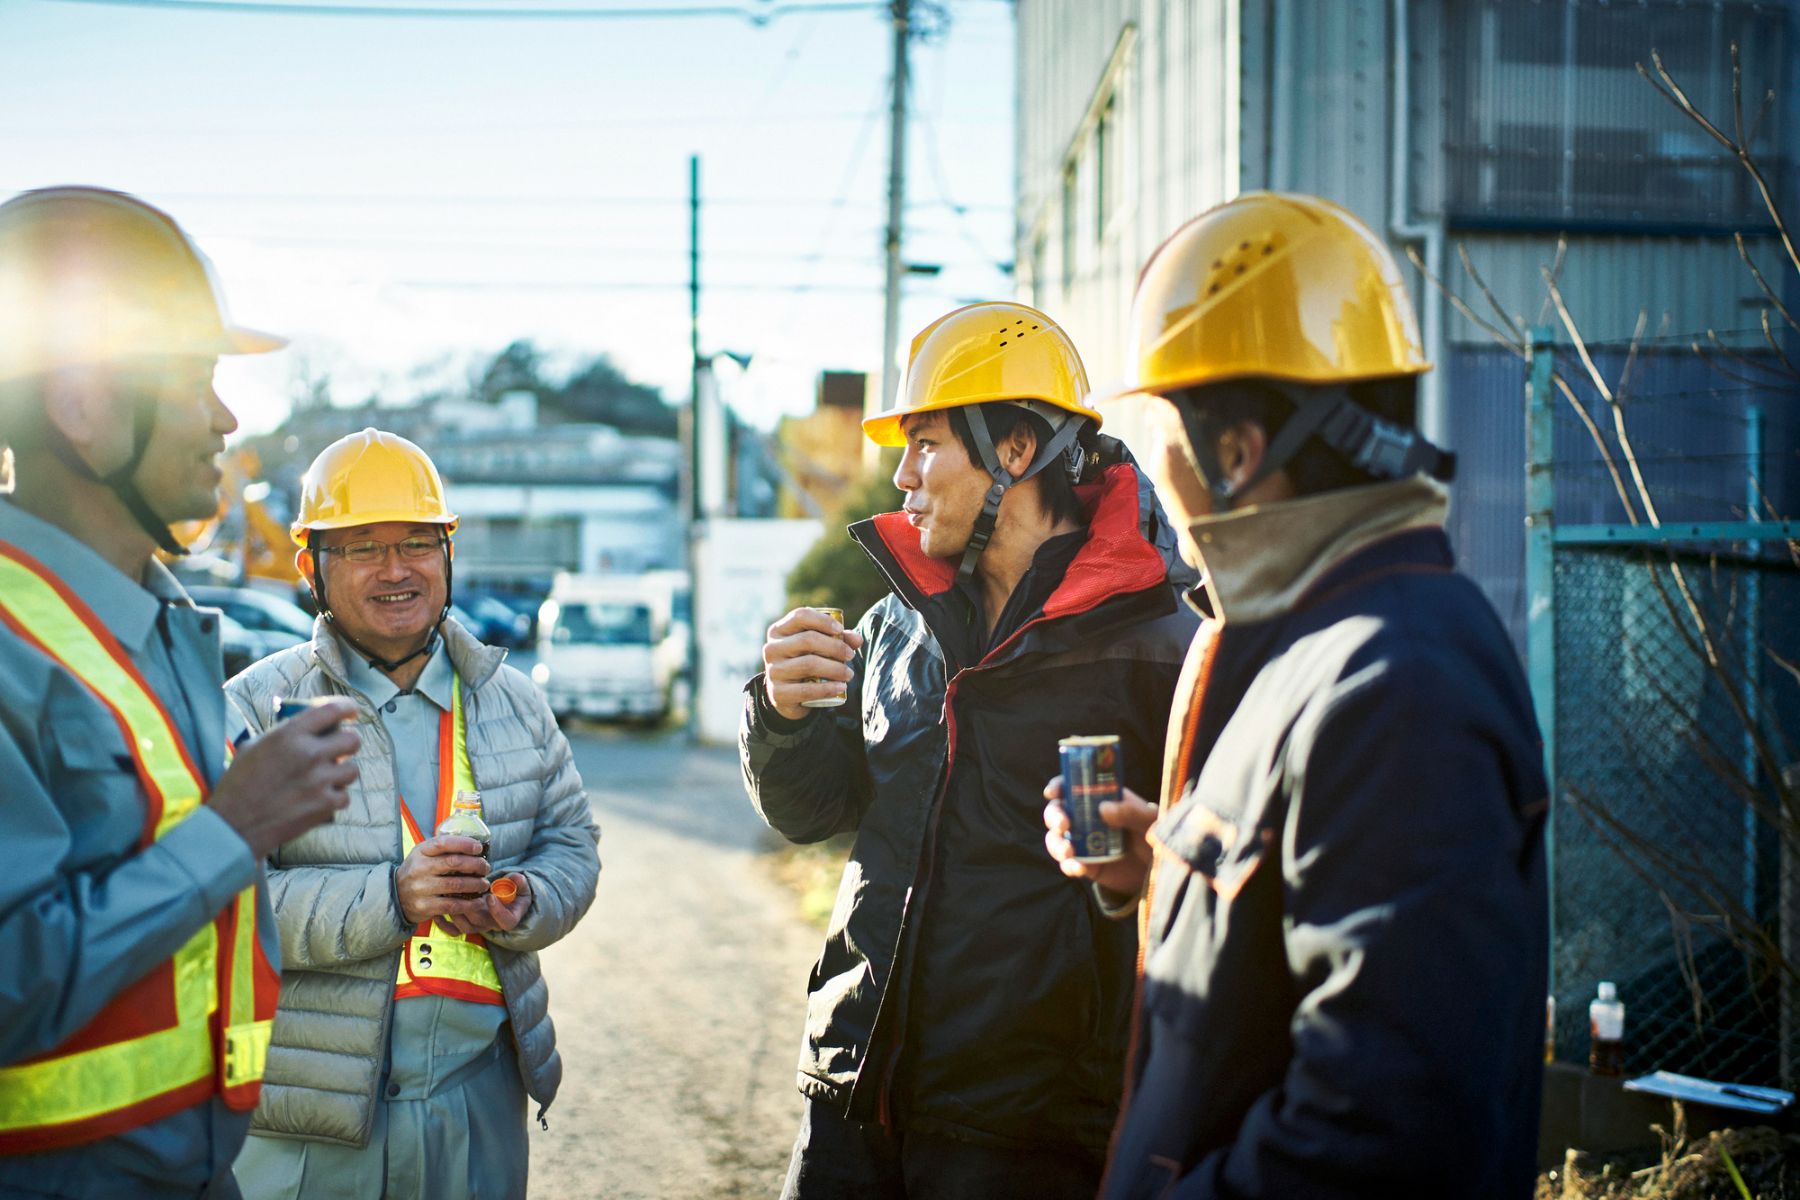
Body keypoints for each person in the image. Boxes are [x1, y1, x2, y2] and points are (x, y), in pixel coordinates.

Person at [1044, 191, 1549, 1198]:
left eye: (1167, 431)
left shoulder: (1395, 684)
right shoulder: (1324, 640)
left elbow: (1378, 1137)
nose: (1157, 472)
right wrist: (1174, 873)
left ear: (1239, 452)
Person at [743, 301, 1196, 1199]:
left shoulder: (1161, 646)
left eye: (926, 445)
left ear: (1016, 452)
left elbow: (1203, 892)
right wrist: (783, 715)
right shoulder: (892, 626)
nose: (901, 477)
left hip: (1028, 1125)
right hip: (853, 1087)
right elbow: (813, 813)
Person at [0, 186, 360, 1197]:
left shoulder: (158, 623)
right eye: (195, 379)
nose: (225, 418)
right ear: (84, 408)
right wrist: (235, 826)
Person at [225, 428, 600, 1200]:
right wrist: (393, 898)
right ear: (310, 569)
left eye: (418, 544)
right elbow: (221, 900)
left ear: (448, 553)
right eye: (362, 547)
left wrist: (524, 898)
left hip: (475, 1104)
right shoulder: (254, 708)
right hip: (308, 1123)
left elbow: (573, 844)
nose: (396, 570)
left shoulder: (514, 702)